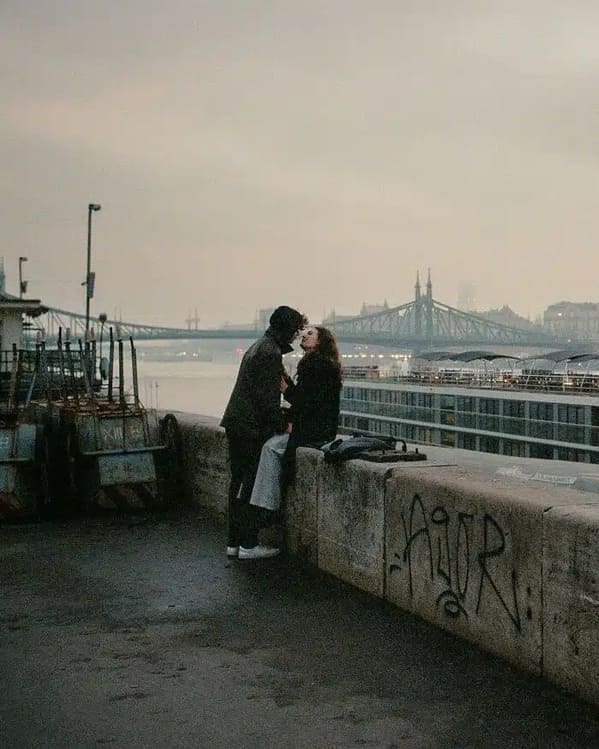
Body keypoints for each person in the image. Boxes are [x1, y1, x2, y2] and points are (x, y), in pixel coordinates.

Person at [221, 305, 306, 560]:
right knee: (249, 486)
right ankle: (248, 544)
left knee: (238, 483)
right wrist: (284, 426)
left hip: (237, 423)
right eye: (296, 330)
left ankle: (234, 542)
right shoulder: (270, 353)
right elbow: (266, 400)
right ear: (287, 329)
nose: (297, 336)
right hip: (250, 428)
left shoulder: (259, 346)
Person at [249, 325, 342, 517]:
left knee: (271, 447)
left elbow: (308, 402)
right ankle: (262, 505)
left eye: (310, 333)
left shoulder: (320, 366)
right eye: (304, 332)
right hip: (318, 426)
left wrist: (286, 390)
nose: (304, 335)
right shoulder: (319, 364)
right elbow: (307, 399)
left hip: (315, 430)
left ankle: (266, 507)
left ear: (321, 341)